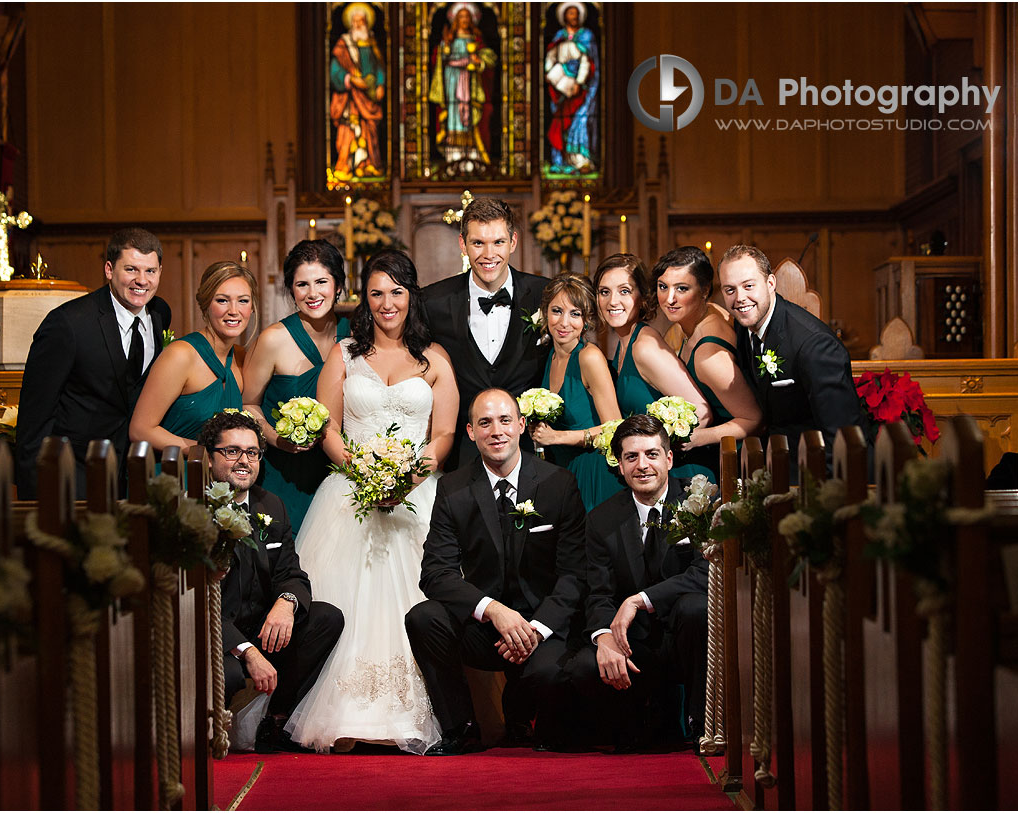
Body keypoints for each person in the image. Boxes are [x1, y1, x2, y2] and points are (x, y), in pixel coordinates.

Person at [284, 250, 459, 755]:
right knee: (340, 601)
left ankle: (419, 712)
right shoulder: (343, 355)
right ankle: (341, 713)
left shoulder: (434, 360)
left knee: (419, 601)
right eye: (377, 292)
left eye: (397, 292)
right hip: (348, 492)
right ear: (364, 297)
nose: (387, 303)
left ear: (411, 297)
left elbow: (444, 432)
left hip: (416, 495)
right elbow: (328, 427)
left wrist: (407, 476)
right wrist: (362, 472)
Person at [406, 387, 587, 755]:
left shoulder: (559, 484)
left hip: (542, 626)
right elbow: (435, 572)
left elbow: (575, 574)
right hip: (485, 628)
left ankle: (525, 717)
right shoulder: (453, 488)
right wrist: (493, 610)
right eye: (485, 423)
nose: (496, 431)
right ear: (471, 433)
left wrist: (533, 630)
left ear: (521, 425)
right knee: (423, 617)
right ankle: (461, 727)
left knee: (550, 679)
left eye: (505, 420)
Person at [201, 410, 345, 754]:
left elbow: (293, 575)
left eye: (252, 452)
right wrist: (247, 651)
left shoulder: (271, 505)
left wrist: (286, 603)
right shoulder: (194, 510)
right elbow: (195, 599)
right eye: (232, 451)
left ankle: (276, 719)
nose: (244, 461)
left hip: (262, 627)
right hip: (216, 635)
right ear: (209, 458)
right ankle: (216, 736)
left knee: (326, 618)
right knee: (232, 675)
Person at [565, 414, 709, 751]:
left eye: (651, 454)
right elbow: (598, 592)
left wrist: (638, 599)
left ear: (669, 458)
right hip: (637, 644)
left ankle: (701, 722)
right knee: (585, 665)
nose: (642, 465)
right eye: (632, 457)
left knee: (695, 607)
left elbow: (705, 573)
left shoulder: (700, 500)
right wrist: (603, 638)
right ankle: (629, 724)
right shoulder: (601, 519)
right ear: (619, 464)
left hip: (690, 636)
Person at [15, 228, 172, 499]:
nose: (142, 280)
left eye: (150, 271)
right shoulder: (68, 323)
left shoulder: (160, 314)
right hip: (75, 476)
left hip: (135, 475)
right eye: (131, 269)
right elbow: (34, 417)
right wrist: (34, 497)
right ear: (109, 270)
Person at [718, 244, 868, 473]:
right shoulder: (742, 327)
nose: (740, 298)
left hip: (813, 475)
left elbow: (842, 439)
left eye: (748, 286)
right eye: (730, 290)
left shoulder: (815, 345)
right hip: (772, 466)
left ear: (770, 283)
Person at [424, 197, 549, 471]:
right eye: (478, 243)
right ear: (462, 244)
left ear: (513, 242)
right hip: (459, 456)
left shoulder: (545, 295)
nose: (488, 254)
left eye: (498, 242)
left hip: (529, 451)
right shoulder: (432, 301)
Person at [242, 241, 350, 535]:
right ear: (291, 290)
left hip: (337, 473)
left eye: (321, 282)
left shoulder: (353, 334)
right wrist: (278, 439)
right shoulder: (273, 339)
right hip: (283, 472)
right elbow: (249, 404)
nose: (312, 294)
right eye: (302, 284)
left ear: (338, 284)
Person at [652, 246, 762, 481]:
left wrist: (696, 438)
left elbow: (754, 420)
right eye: (663, 287)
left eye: (682, 289)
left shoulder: (708, 355)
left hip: (732, 463)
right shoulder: (705, 314)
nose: (669, 299)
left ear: (704, 290)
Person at [130, 261, 254, 452]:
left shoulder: (241, 357)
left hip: (220, 478)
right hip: (176, 473)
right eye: (222, 300)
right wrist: (205, 453)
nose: (234, 311)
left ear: (252, 307)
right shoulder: (180, 355)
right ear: (206, 305)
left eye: (243, 301)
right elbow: (140, 431)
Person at [528, 273, 624, 511]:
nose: (564, 323)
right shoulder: (551, 354)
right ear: (545, 312)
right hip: (563, 474)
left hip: (595, 474)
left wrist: (557, 437)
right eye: (557, 311)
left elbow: (614, 427)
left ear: (586, 320)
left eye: (575, 314)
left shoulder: (588, 357)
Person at [592, 253, 711, 426]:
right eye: (604, 292)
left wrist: (657, 448)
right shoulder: (625, 341)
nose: (612, 301)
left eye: (624, 291)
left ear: (643, 296)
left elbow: (701, 412)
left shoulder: (644, 346)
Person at [427, 2, 496, 170]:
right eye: (461, 16)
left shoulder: (477, 40)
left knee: (471, 117)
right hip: (453, 81)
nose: (464, 20)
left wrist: (478, 61)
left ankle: (473, 156)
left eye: (467, 16)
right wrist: (445, 53)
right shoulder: (448, 40)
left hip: (471, 84)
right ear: (455, 19)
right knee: (454, 115)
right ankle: (454, 156)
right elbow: (438, 63)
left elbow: (490, 58)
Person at [330, 2, 386, 184]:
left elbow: (379, 68)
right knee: (348, 129)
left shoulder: (371, 44)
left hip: (368, 97)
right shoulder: (343, 44)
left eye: (362, 21)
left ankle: (368, 165)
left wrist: (379, 84)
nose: (358, 24)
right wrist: (350, 79)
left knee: (369, 130)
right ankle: (345, 166)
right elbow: (334, 70)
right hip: (349, 98)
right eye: (355, 21)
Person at [544, 1, 598, 175]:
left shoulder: (587, 36)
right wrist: (553, 75)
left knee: (580, 121)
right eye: (570, 13)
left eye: (576, 14)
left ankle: (580, 160)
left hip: (581, 90)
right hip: (561, 89)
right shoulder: (559, 36)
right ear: (564, 16)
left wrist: (579, 82)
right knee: (559, 123)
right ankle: (561, 161)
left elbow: (589, 61)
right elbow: (551, 58)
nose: (573, 17)